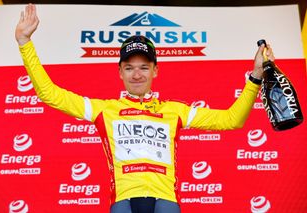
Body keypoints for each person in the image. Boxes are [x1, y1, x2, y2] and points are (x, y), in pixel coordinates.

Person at [15, 4, 274, 213]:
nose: (136, 74)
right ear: (119, 72)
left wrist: (255, 78)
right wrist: (25, 44)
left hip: (165, 201)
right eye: (129, 67)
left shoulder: (175, 111)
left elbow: (233, 119)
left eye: (143, 67)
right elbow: (49, 94)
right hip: (124, 202)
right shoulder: (104, 110)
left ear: (155, 70)